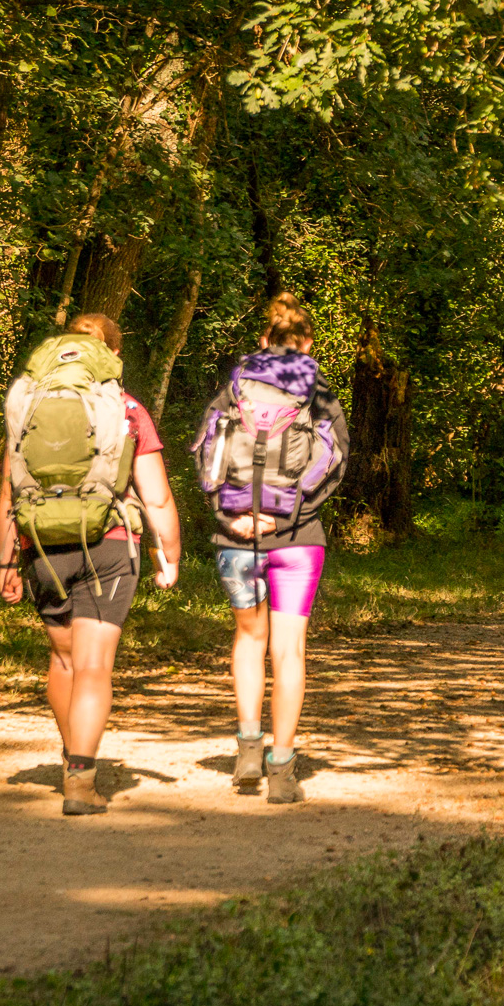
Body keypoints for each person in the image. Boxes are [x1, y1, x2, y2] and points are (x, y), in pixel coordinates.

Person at [0, 313, 182, 816]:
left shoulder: (28, 403)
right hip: (108, 543)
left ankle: (70, 755)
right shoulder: (126, 408)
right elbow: (157, 496)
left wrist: (6, 560)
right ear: (113, 356)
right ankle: (81, 780)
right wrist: (171, 553)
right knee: (95, 665)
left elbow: (10, 489)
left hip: (39, 545)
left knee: (63, 661)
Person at [192, 293, 348, 804]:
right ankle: (282, 768)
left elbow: (206, 454)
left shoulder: (233, 387)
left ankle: (247, 750)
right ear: (307, 344)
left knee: (247, 640)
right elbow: (335, 461)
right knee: (289, 649)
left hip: (236, 537)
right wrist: (286, 516)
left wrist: (230, 515)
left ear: (264, 340)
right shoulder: (319, 392)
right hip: (297, 540)